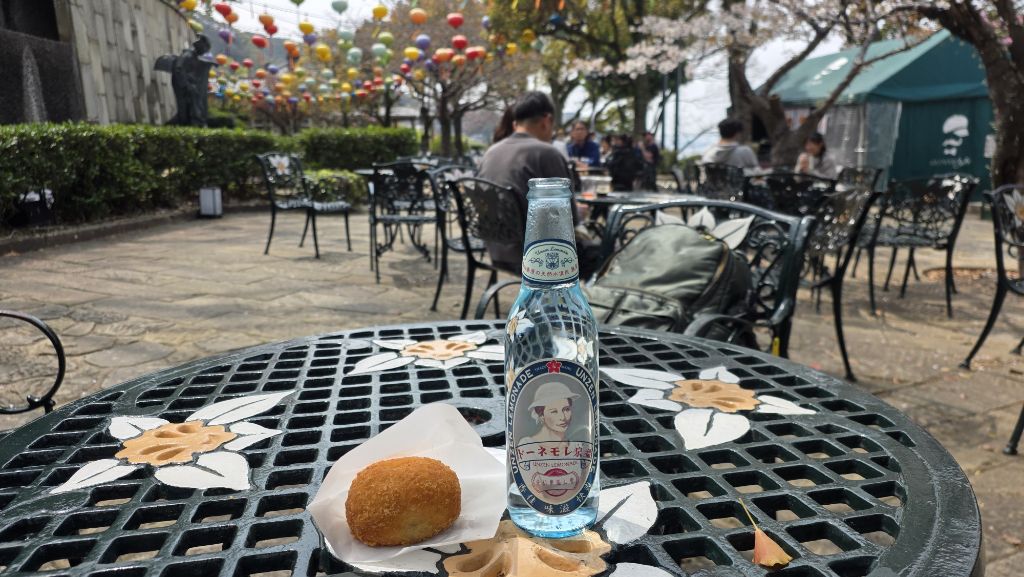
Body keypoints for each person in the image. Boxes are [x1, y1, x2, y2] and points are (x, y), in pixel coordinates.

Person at [478, 91, 602, 277]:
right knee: (611, 250)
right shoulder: (546, 153)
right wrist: (579, 212)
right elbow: (569, 220)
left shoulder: (490, 152)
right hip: (540, 257)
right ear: (546, 120)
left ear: (516, 123)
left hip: (498, 251)